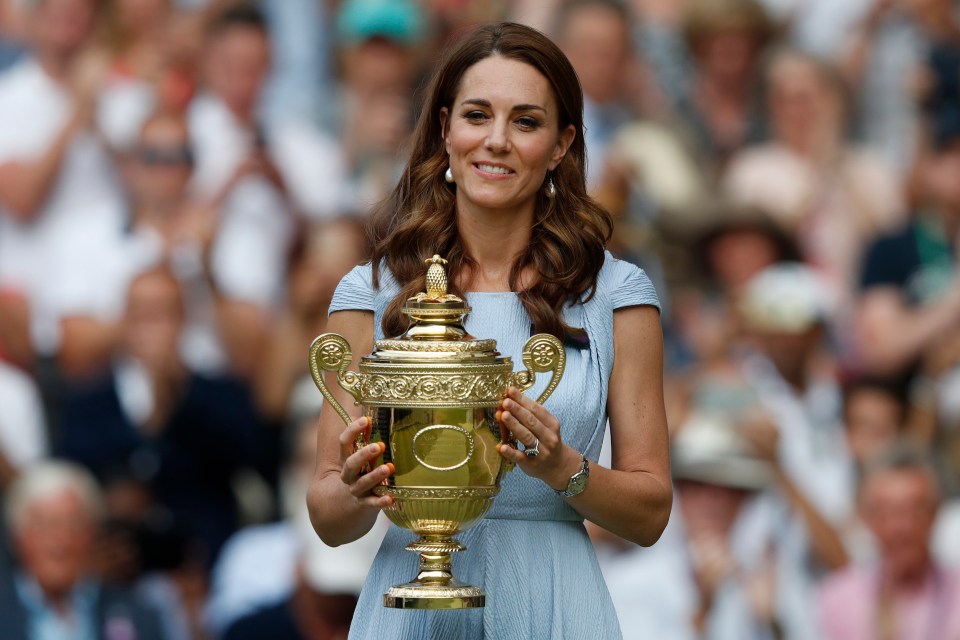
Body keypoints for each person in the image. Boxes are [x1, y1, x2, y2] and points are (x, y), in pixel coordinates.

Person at [306, 21, 672, 639]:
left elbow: (651, 512)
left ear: (562, 144)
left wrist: (563, 468)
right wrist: (355, 487)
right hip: (409, 610)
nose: (496, 141)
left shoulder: (617, 294)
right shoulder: (369, 291)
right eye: (478, 116)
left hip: (556, 607)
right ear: (445, 128)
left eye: (526, 122)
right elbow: (328, 518)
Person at [0, 460, 164, 640]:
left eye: (73, 525)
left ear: (93, 533)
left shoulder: (138, 616)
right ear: (17, 536)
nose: (60, 541)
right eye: (45, 526)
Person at [817, 444, 960, 639]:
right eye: (887, 512)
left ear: (935, 512)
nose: (901, 527)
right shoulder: (839, 598)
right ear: (867, 517)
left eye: (913, 510)